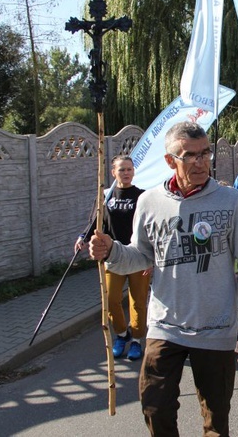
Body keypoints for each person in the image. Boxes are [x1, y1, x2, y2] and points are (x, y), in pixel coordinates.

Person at [88, 122, 238, 435]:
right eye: (190, 156)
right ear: (171, 161)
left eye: (205, 153)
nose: (202, 162)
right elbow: (141, 256)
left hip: (215, 328)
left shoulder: (231, 201)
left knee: (215, 420)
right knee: (155, 407)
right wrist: (111, 251)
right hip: (164, 326)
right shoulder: (149, 202)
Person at [76, 155, 150, 361]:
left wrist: (152, 257)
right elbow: (95, 222)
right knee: (111, 300)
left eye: (129, 169)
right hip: (113, 256)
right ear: (113, 172)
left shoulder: (142, 196)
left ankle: (136, 340)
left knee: (138, 301)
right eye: (122, 170)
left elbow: (149, 226)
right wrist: (83, 237)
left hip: (137, 256)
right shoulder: (106, 196)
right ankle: (121, 334)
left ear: (133, 171)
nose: (126, 173)